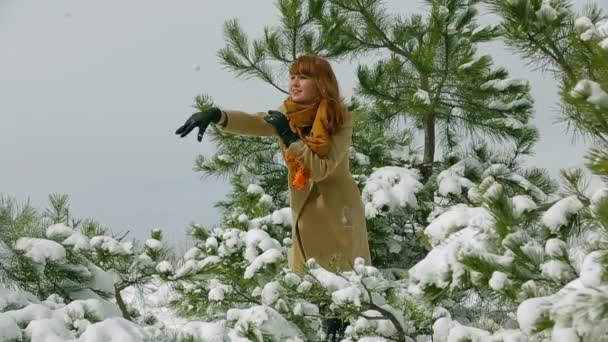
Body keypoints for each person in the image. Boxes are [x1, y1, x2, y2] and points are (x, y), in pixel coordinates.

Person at [175, 54, 371, 276]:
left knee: (343, 287)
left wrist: (289, 137)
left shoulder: (340, 118)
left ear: (321, 83)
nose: (294, 83)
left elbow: (320, 170)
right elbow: (257, 121)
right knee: (307, 288)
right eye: (292, 76)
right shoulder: (290, 113)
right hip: (305, 217)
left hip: (338, 216)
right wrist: (218, 116)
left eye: (304, 77)